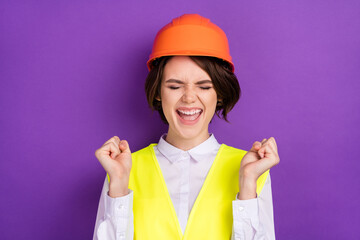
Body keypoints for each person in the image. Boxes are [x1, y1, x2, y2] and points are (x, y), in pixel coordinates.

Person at [93, 13, 280, 240]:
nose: (189, 98)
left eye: (203, 86)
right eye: (174, 86)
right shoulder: (123, 170)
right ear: (159, 93)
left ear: (219, 94)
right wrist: (119, 189)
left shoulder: (252, 171)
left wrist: (247, 188)